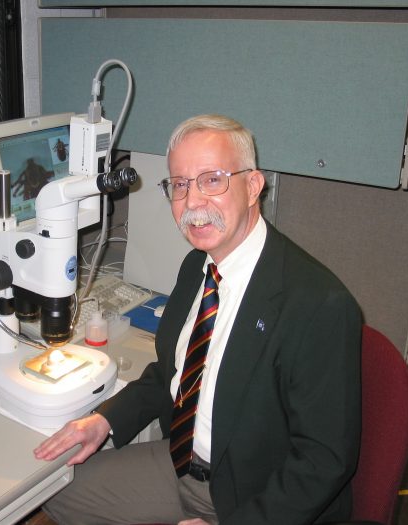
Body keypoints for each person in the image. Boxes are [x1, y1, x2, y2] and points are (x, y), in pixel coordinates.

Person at [34, 114, 362, 525]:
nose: (192, 203)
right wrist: (105, 420)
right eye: (180, 185)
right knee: (56, 492)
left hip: (255, 495)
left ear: (253, 186)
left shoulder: (318, 304)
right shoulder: (197, 267)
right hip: (182, 464)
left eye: (212, 180)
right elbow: (170, 373)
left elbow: (324, 459)